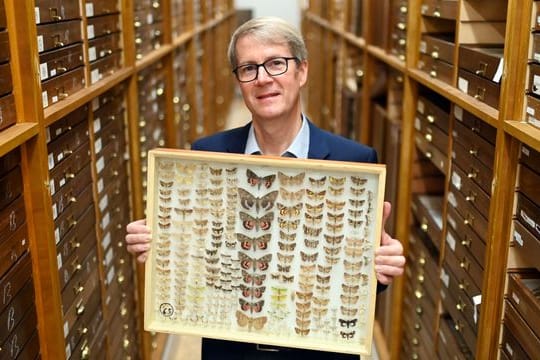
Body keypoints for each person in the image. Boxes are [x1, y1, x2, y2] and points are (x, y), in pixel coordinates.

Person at [126, 16, 405, 359]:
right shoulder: (207, 155)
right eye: (248, 68)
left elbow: (352, 280)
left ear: (301, 71)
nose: (263, 79)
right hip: (231, 349)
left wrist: (379, 270)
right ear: (239, 82)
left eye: (276, 63)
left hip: (316, 351)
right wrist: (158, 245)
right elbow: (195, 259)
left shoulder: (355, 162)